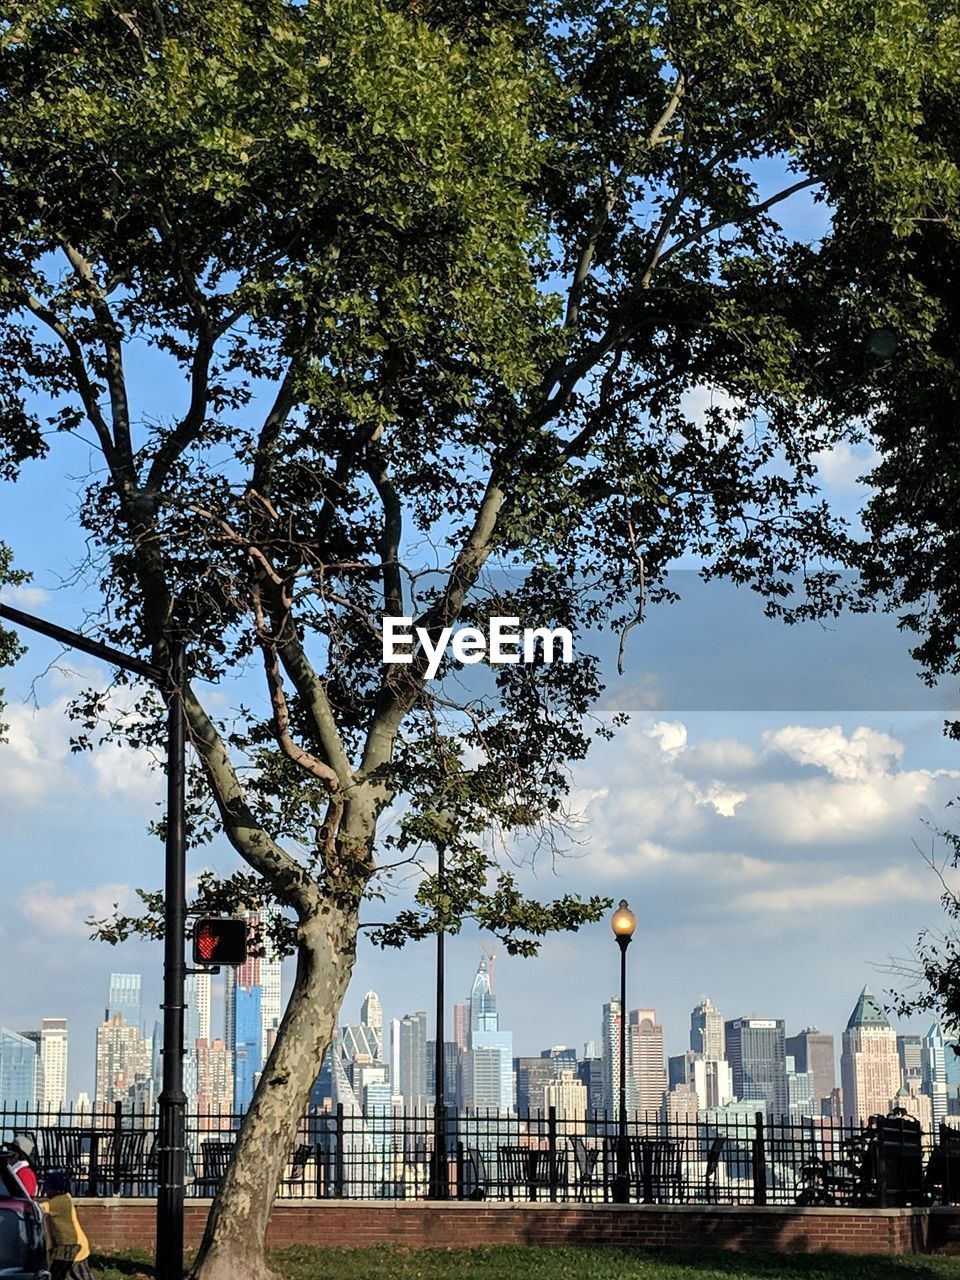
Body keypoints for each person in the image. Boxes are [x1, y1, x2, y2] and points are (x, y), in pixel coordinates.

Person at [40, 1170, 97, 1280]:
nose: (46, 1191)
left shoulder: (59, 1202)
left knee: (80, 1275)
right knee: (56, 1275)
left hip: (73, 1248)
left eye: (48, 1188)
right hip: (64, 1249)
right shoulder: (66, 1197)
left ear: (55, 1189)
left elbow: (40, 1208)